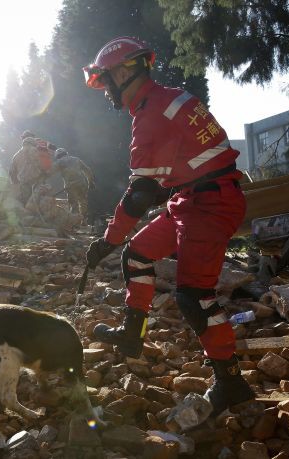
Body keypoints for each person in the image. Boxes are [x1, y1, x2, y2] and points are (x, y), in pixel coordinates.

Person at [82, 36, 253, 415]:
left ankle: (231, 383)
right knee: (138, 253)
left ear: (126, 72)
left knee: (195, 297)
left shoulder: (152, 114)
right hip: (193, 198)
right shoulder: (164, 100)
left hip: (208, 204)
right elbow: (178, 170)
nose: (107, 91)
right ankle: (133, 334)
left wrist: (107, 239)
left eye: (108, 81)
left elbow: (140, 193)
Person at [52, 148, 96, 220]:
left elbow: (50, 171)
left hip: (71, 185)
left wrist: (42, 177)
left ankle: (74, 222)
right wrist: (90, 182)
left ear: (57, 156)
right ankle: (83, 220)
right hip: (82, 183)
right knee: (83, 201)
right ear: (66, 153)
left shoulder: (60, 162)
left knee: (73, 204)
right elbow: (87, 170)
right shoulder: (76, 159)